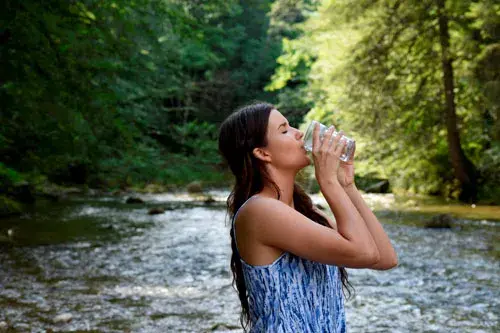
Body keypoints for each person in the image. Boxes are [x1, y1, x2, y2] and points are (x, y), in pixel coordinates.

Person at [218, 102, 398, 332]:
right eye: (284, 130)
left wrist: (347, 185)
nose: (299, 133)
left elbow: (384, 258)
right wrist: (329, 182)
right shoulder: (260, 211)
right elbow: (364, 253)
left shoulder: (306, 214)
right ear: (262, 153)